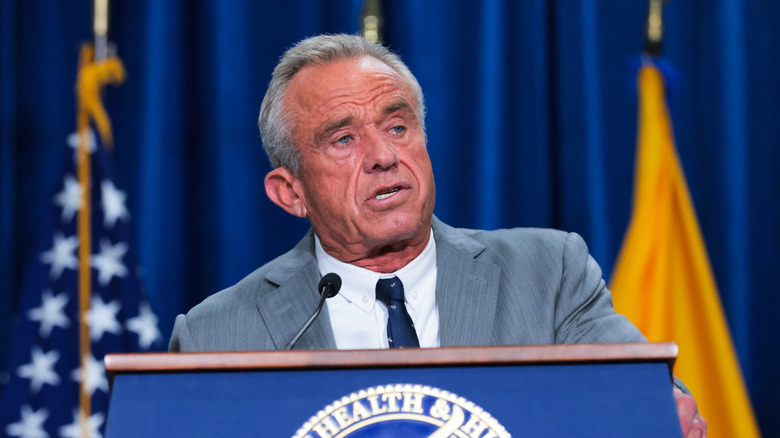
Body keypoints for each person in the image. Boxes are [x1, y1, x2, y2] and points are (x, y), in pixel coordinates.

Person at [169, 34, 706, 437]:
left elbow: (652, 397)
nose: (384, 155)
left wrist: (660, 410)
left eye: (397, 127)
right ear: (291, 193)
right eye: (344, 139)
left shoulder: (548, 273)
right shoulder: (217, 335)